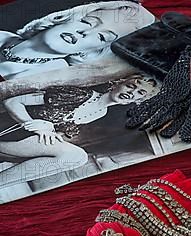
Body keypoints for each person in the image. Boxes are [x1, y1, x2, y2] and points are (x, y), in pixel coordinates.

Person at [0, 74, 158, 187]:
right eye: (131, 86)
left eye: (139, 93)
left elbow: (55, 130)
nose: (132, 92)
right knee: (77, 156)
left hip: (24, 142)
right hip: (9, 131)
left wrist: (51, 132)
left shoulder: (101, 113)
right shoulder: (81, 94)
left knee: (75, 158)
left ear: (137, 101)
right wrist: (33, 123)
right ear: (118, 83)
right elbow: (13, 101)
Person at [0, 1, 155, 81]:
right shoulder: (4, 36)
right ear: (66, 17)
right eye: (88, 22)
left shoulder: (50, 75)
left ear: (95, 50)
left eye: (102, 37)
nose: (84, 32)